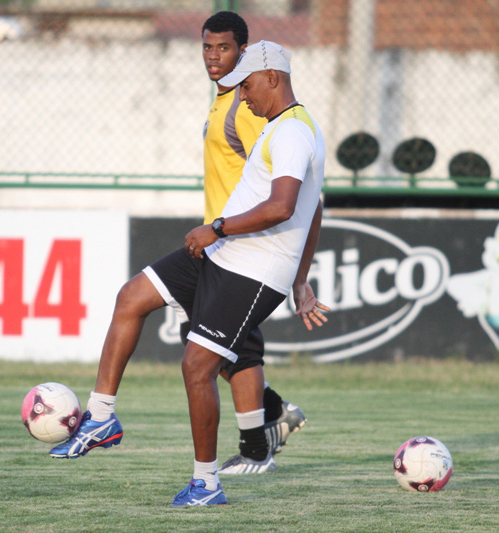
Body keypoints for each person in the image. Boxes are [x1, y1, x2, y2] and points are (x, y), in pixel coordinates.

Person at [50, 39, 328, 506]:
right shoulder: (279, 127)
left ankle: (207, 483)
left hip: (253, 270)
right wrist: (301, 277)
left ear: (273, 78)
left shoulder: (293, 132)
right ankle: (100, 417)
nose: (242, 96)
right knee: (131, 297)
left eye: (247, 86)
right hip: (226, 253)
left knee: (197, 367)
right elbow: (312, 206)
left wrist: (217, 227)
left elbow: (284, 208)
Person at [199, 10, 309, 475]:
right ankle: (273, 416)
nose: (213, 57)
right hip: (218, 241)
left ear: (244, 55)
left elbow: (287, 184)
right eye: (207, 47)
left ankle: (260, 439)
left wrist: (226, 229)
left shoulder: (250, 110)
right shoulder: (227, 101)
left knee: (220, 350)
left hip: (240, 248)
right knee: (220, 350)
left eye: (224, 48)